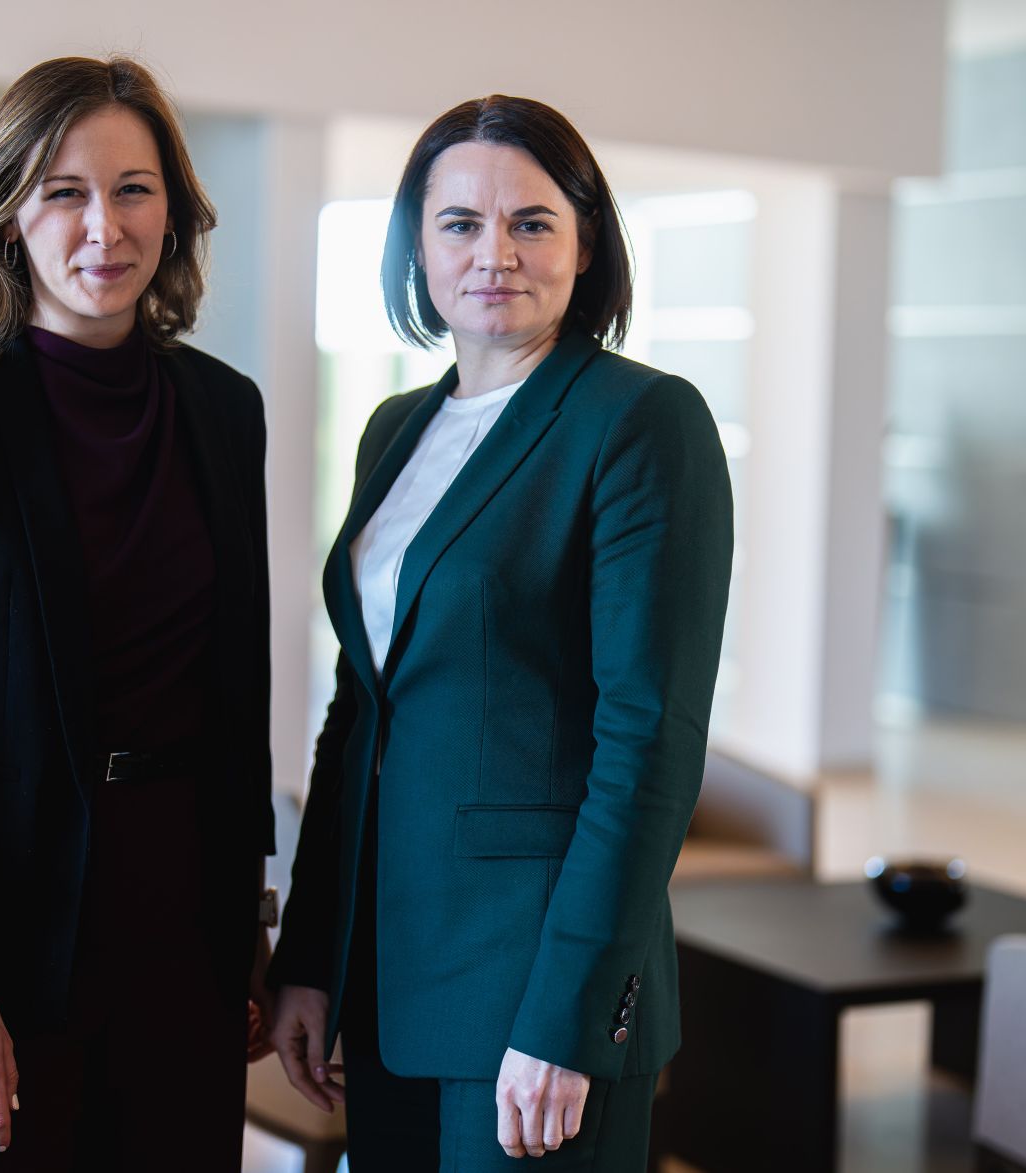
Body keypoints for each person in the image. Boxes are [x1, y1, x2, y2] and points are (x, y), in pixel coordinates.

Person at [267, 94, 734, 1170]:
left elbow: (648, 743)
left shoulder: (638, 422)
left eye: (530, 221)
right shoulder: (396, 429)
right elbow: (361, 712)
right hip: (386, 979)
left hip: (530, 993)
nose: (494, 254)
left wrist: (568, 1015)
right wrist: (310, 957)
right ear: (414, 246)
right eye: (458, 224)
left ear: (583, 243)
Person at [0, 55, 275, 1171]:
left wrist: (247, 931)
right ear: (7, 208)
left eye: (133, 189)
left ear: (173, 212)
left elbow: (234, 686)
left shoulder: (224, 412)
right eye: (64, 190)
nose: (102, 227)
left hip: (178, 931)